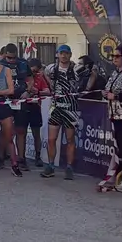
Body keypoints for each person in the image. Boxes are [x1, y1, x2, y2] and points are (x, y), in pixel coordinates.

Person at [41, 45, 80, 180]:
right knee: (51, 139)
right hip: (56, 107)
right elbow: (44, 73)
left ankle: (69, 167)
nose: (63, 56)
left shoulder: (76, 69)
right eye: (61, 53)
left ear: (70, 54)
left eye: (66, 53)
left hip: (70, 108)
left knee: (70, 139)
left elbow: (92, 73)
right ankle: (50, 166)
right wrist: (50, 85)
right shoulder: (51, 68)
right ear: (57, 54)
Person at [103, 46, 122, 192]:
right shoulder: (114, 73)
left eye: (117, 56)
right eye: (113, 56)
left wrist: (116, 96)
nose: (114, 58)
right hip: (114, 115)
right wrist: (105, 93)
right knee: (119, 148)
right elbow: (108, 89)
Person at [18, 57, 50, 171]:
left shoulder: (40, 77)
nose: (34, 73)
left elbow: (48, 91)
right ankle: (21, 158)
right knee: (21, 133)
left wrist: (38, 91)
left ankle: (38, 156)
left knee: (36, 133)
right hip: (22, 107)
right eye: (32, 71)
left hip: (35, 107)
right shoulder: (21, 77)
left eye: (36, 71)